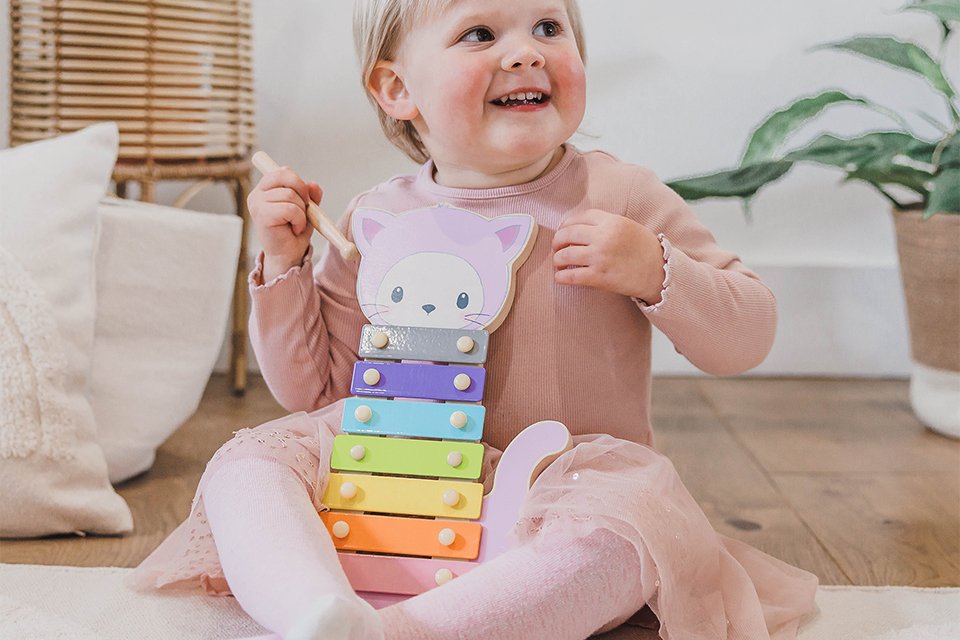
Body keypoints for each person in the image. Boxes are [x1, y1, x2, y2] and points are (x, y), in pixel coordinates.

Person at [131, 1, 819, 638]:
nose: (525, 53)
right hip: (400, 482)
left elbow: (746, 337)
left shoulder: (620, 197)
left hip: (564, 493)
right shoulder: (377, 220)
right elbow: (314, 392)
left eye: (548, 27)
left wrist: (658, 269)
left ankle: (405, 633)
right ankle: (314, 608)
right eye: (480, 34)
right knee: (249, 463)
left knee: (629, 526)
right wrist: (284, 264)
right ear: (397, 90)